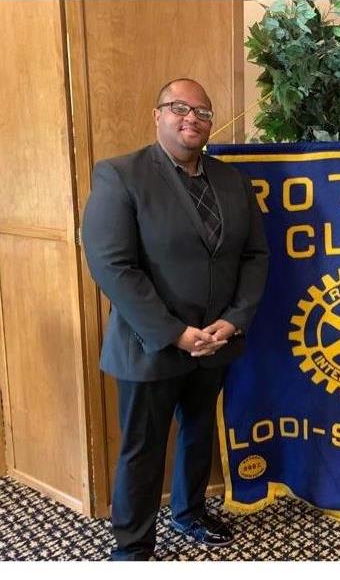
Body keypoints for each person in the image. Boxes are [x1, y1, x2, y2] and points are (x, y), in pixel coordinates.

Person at [82, 78, 269, 560]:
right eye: (179, 108)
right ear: (157, 114)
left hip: (217, 340)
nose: (192, 118)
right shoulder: (120, 174)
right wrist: (174, 333)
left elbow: (254, 256)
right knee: (142, 448)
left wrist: (235, 320)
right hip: (151, 344)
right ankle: (133, 545)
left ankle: (190, 514)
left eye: (202, 112)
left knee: (199, 429)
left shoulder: (232, 179)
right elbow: (111, 264)